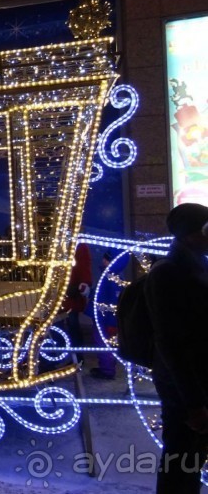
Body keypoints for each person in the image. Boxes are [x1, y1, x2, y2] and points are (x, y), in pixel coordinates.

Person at [145, 202, 208, 493]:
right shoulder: (168, 273)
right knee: (181, 460)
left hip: (196, 382)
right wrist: (194, 403)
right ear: (190, 234)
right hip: (184, 388)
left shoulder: (196, 265)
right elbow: (171, 342)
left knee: (190, 459)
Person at [87, 252, 127, 379]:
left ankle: (107, 370)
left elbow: (111, 298)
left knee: (102, 342)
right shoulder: (113, 275)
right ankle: (107, 366)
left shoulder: (111, 277)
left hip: (104, 317)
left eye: (107, 259)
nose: (103, 260)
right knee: (103, 342)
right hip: (104, 316)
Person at [61, 243, 92, 353]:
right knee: (66, 323)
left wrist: (84, 284)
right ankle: (70, 353)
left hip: (71, 293)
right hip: (66, 292)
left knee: (72, 323)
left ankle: (76, 354)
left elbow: (84, 267)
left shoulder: (79, 247)